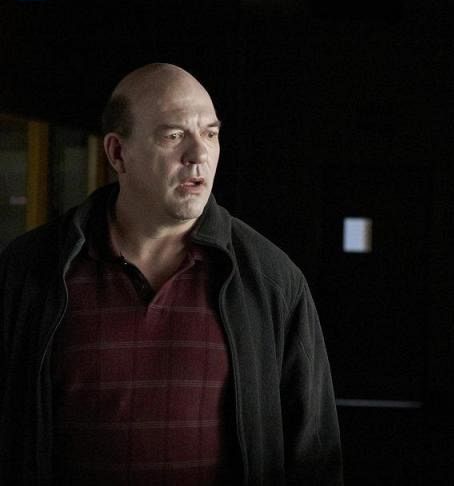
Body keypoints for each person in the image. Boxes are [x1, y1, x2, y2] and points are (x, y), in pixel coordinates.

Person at [0, 63, 343, 485]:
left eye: (210, 134)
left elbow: (314, 456)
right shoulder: (29, 270)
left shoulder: (271, 279)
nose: (199, 155)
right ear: (118, 153)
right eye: (174, 136)